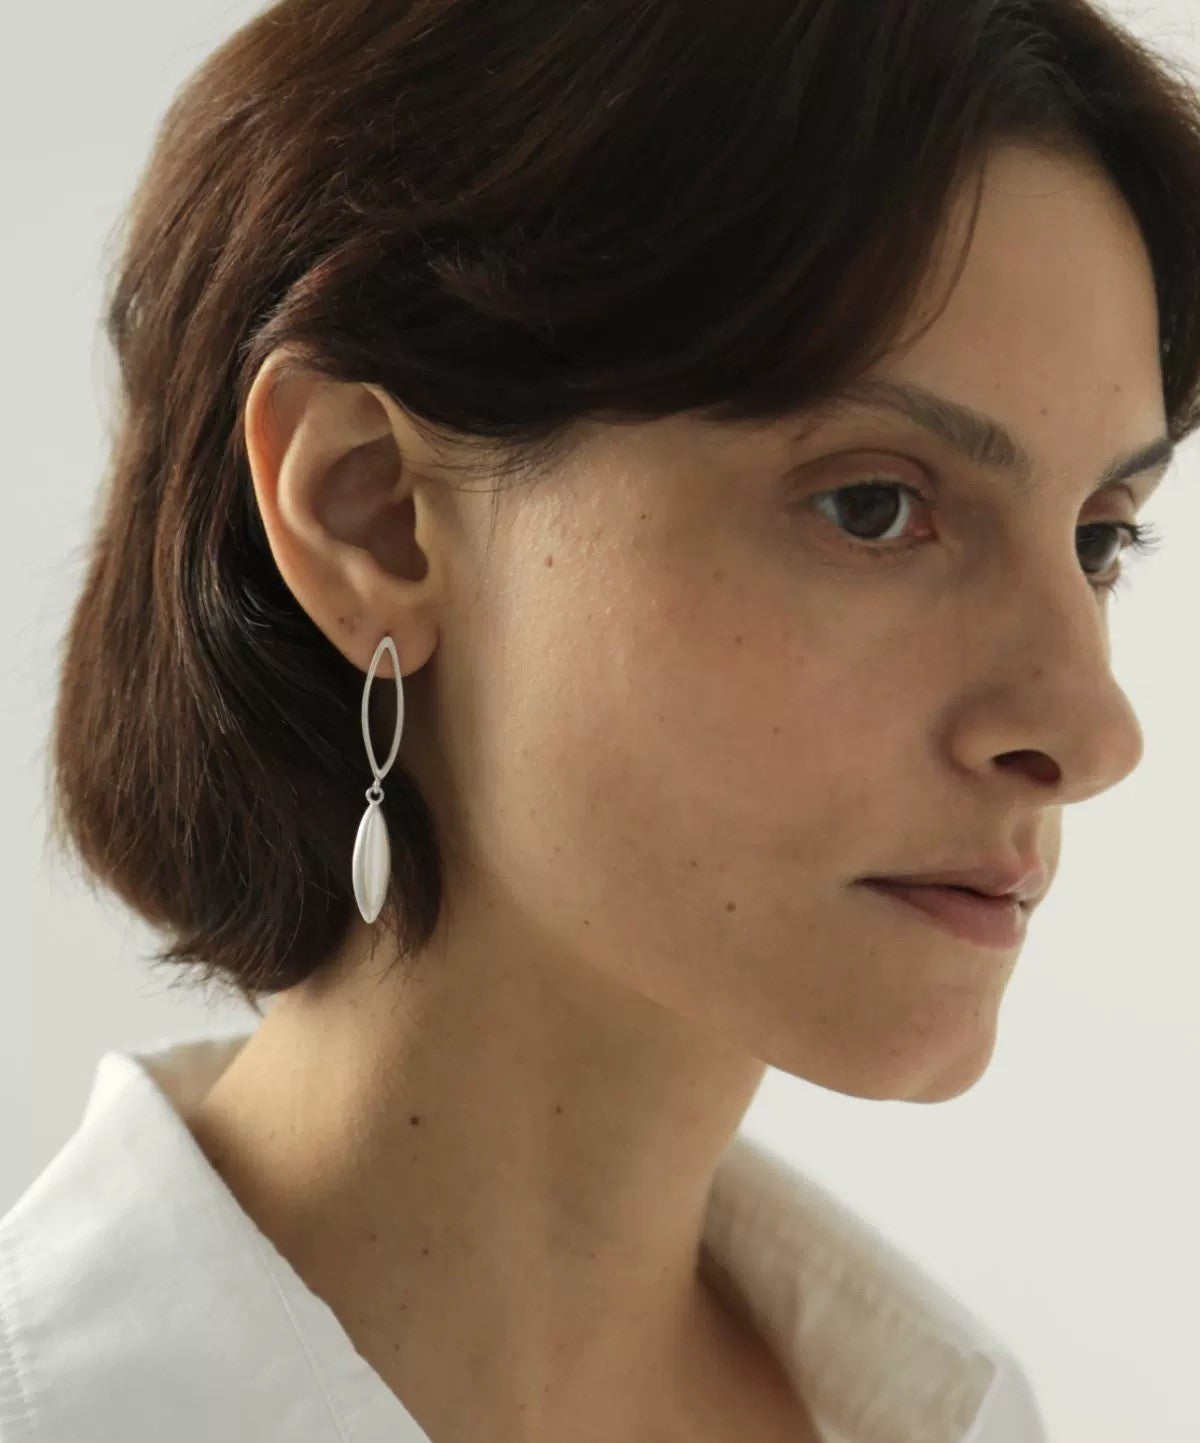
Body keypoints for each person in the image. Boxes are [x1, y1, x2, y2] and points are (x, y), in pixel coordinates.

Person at [5, 1, 1200, 1439]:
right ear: (370, 514)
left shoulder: (961, 1415)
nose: (1089, 728)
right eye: (874, 506)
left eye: (1099, 539)